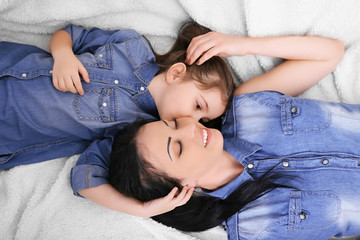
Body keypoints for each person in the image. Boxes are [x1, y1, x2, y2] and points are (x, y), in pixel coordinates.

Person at [107, 35, 360, 239]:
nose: (189, 127)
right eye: (179, 147)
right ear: (183, 189)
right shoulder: (253, 228)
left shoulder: (250, 107)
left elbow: (331, 53)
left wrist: (242, 45)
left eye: (172, 123)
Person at [0, 22, 234, 216]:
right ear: (176, 73)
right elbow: (70, 34)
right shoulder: (132, 46)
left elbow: (85, 178)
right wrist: (63, 55)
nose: (192, 121)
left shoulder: (138, 134)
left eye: (203, 119)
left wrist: (142, 209)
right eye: (197, 106)